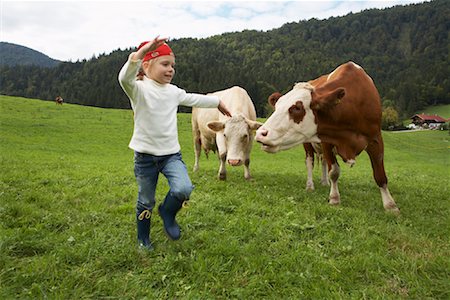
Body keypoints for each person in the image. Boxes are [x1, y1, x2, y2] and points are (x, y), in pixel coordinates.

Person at [118, 36, 231, 251]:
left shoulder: (173, 91)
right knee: (146, 200)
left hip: (171, 155)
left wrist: (217, 102)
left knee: (183, 188)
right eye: (165, 64)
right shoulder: (138, 89)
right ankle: (143, 239)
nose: (171, 70)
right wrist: (141, 52)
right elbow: (124, 77)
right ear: (147, 65)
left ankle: (168, 212)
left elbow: (192, 98)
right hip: (145, 158)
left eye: (172, 65)